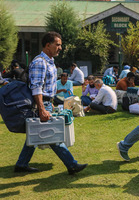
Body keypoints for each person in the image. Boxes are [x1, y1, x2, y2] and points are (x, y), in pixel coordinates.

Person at [14, 31, 87, 175]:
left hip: (47, 103)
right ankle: (72, 165)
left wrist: (50, 102)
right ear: (48, 45)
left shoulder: (48, 61)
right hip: (40, 104)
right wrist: (41, 108)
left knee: (35, 133)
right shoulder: (40, 62)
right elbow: (36, 87)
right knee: (52, 135)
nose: (60, 48)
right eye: (57, 45)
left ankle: (21, 164)